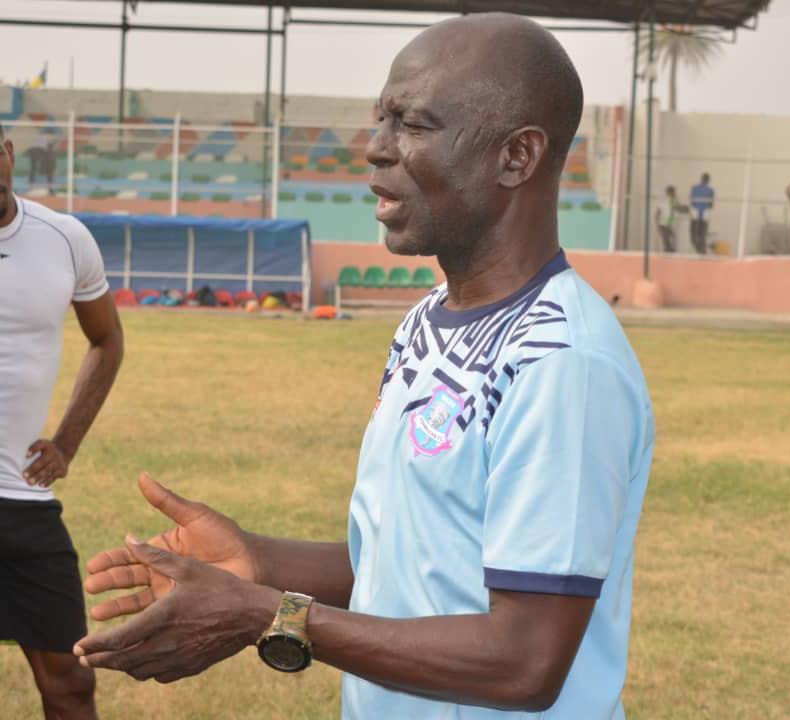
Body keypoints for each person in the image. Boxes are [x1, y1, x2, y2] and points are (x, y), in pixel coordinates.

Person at [74, 14, 655, 719]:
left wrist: (265, 615)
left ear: (516, 157)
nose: (375, 149)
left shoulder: (562, 362)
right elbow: (407, 567)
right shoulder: (426, 320)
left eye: (412, 123)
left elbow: (525, 660)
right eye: (381, 119)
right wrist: (253, 563)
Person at [0, 121, 124, 719]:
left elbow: (106, 340)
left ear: (8, 154)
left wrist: (67, 443)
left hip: (24, 505)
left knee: (71, 685)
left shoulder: (64, 237)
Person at [689, 172, 714, 254]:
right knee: (702, 235)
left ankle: (699, 250)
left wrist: (696, 209)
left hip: (696, 214)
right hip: (704, 215)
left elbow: (692, 201)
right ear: (708, 180)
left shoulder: (694, 188)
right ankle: (702, 251)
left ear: (701, 179)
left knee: (694, 235)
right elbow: (711, 205)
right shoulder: (710, 190)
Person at [655, 184, 678, 252]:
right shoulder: (669, 201)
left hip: (667, 225)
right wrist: (657, 225)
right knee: (667, 242)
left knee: (670, 240)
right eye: (674, 192)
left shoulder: (672, 201)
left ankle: (669, 251)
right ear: (671, 193)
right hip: (664, 225)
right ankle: (668, 251)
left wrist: (657, 225)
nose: (675, 194)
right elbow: (657, 214)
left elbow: (657, 214)